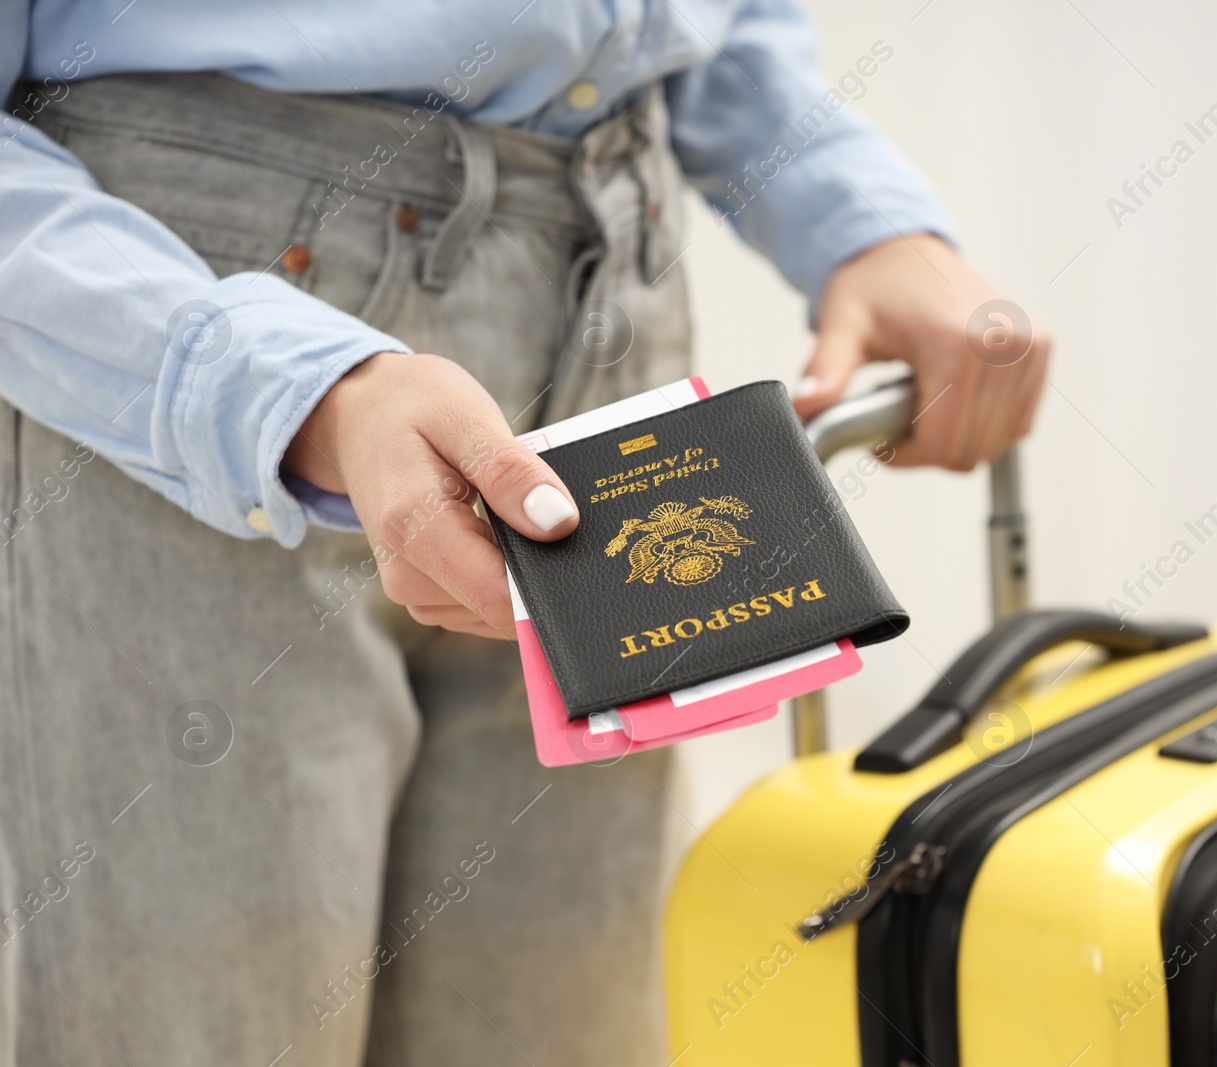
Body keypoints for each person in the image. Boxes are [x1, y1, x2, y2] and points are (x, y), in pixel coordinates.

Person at [0, 3, 1048, 1064]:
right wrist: (284, 389)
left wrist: (856, 209)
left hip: (613, 325)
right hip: (197, 326)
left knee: (567, 1031)